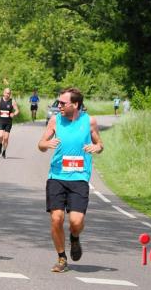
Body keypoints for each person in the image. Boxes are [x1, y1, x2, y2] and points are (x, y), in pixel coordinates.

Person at [38, 87, 103, 273]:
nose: (58, 106)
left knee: (76, 221)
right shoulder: (55, 120)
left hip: (79, 178)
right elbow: (40, 144)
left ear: (75, 105)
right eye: (58, 102)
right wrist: (46, 144)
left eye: (62, 103)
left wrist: (97, 148)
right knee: (56, 219)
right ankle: (61, 258)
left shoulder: (89, 121)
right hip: (56, 176)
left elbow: (100, 143)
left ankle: (74, 238)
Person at [0, 88, 19, 159]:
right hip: (1, 120)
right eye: (6, 93)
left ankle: (4, 151)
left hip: (8, 122)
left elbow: (17, 110)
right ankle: (0, 144)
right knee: (0, 136)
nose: (7, 95)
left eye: (9, 93)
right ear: (3, 93)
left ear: (10, 94)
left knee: (6, 138)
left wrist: (14, 114)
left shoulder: (12, 101)